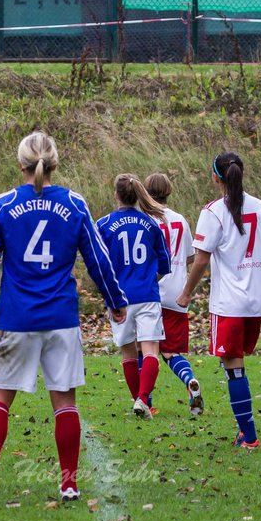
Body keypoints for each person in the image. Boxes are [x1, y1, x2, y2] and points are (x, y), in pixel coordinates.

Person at [0, 131, 127, 504]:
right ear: (54, 163)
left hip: (16, 317)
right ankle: (68, 484)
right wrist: (115, 300)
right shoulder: (74, 203)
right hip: (61, 317)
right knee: (65, 402)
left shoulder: (3, 206)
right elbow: (98, 260)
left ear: (20, 163)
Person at [177, 151, 261, 450]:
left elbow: (200, 260)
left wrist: (186, 293)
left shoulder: (213, 211)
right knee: (235, 364)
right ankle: (244, 431)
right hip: (254, 304)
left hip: (228, 304)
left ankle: (249, 437)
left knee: (233, 366)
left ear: (215, 177)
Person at [97, 174, 171, 419]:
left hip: (120, 298)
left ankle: (141, 403)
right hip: (147, 295)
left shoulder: (104, 224)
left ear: (116, 194)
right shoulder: (151, 224)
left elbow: (99, 264)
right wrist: (148, 279)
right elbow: (164, 264)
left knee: (129, 353)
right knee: (150, 351)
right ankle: (142, 400)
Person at [145, 173, 205, 417]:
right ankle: (190, 380)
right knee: (170, 352)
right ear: (169, 192)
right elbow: (191, 256)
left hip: (150, 291)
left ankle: (145, 401)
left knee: (144, 349)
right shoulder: (180, 220)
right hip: (177, 292)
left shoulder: (144, 219)